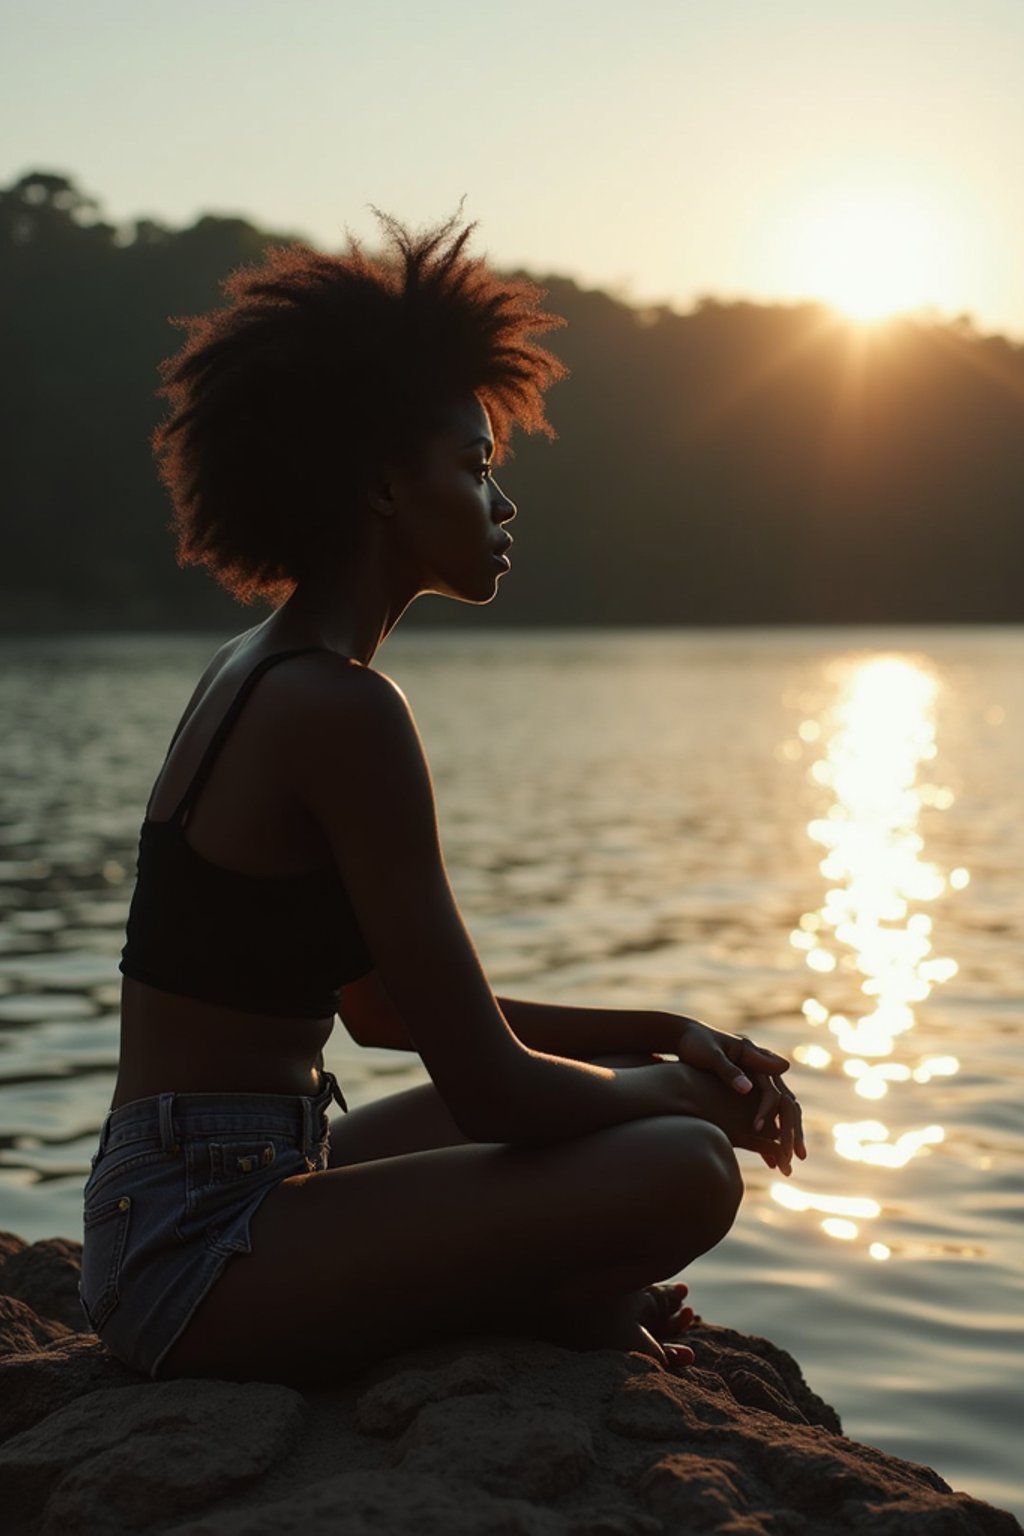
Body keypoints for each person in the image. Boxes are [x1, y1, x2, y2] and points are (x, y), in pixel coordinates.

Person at [79, 210, 805, 1386]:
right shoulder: (339, 708)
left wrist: (667, 1036)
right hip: (196, 1252)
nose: (501, 502)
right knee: (683, 1163)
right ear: (381, 487)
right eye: (474, 468)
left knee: (664, 1121)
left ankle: (555, 1294)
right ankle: (562, 1303)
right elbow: (489, 1085)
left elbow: (378, 1008)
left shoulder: (261, 663)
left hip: (207, 1188)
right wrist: (687, 1099)